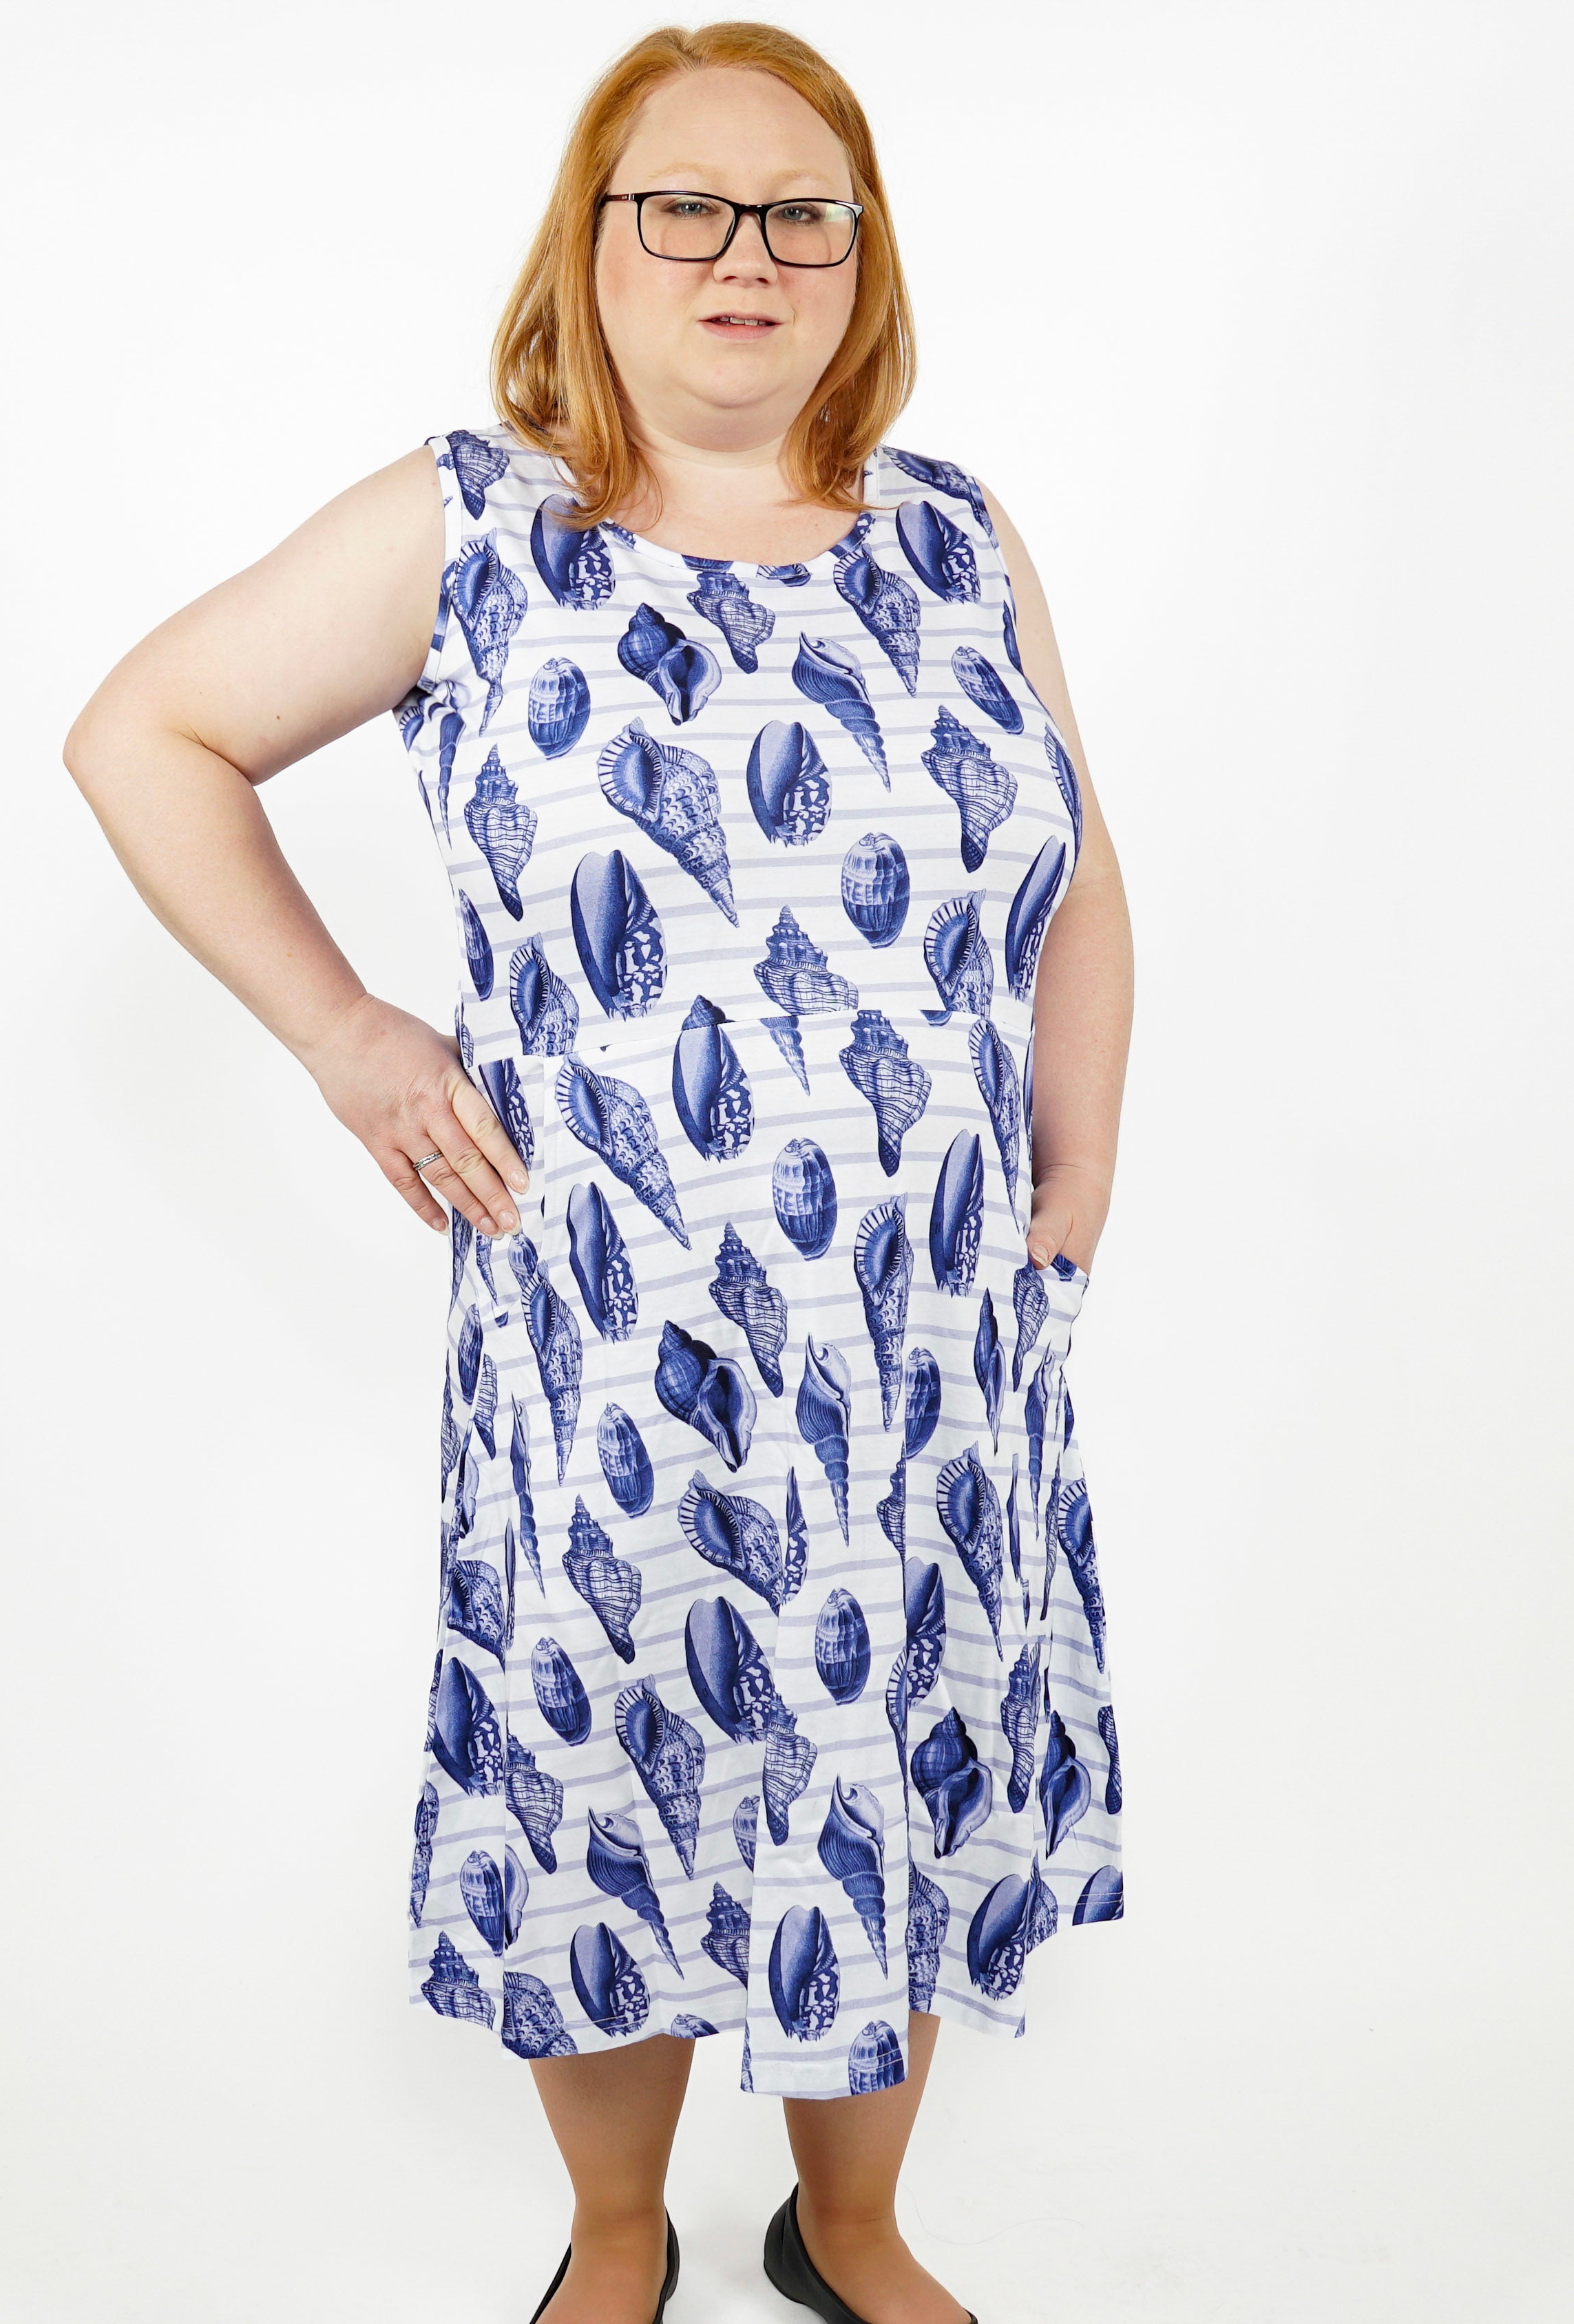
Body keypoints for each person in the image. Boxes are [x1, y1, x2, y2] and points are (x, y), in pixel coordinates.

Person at [63, 21, 1134, 2324]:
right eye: (688, 207)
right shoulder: (475, 527)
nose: (750, 254)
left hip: (932, 1345)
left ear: (863, 258)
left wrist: (1084, 1148)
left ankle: (848, 2227)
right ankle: (623, 2230)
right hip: (615, 1348)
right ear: (595, 239)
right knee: (608, 1765)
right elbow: (146, 731)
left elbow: (1080, 864)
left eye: (804, 213)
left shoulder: (958, 538)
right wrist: (347, 1036)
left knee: (899, 1738)